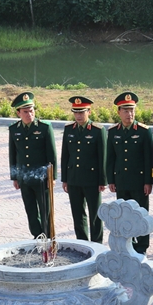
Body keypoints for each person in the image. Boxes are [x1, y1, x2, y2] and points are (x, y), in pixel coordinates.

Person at [106, 92, 153, 255]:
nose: (129, 114)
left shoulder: (143, 131)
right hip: (121, 180)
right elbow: (110, 158)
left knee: (140, 214)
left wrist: (148, 181)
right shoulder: (113, 132)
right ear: (119, 112)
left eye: (132, 110)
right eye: (125, 111)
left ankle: (142, 246)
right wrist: (110, 179)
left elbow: (149, 158)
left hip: (139, 181)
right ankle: (127, 244)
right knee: (123, 214)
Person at [8, 92, 57, 238]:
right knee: (30, 210)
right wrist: (15, 177)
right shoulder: (14, 129)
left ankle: (48, 237)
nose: (29, 114)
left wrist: (52, 177)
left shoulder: (44, 128)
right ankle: (37, 237)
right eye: (25, 111)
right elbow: (13, 155)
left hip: (42, 178)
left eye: (31, 110)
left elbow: (51, 155)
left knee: (45, 210)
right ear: (18, 113)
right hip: (24, 178)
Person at [60, 96, 107, 243]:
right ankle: (82, 243)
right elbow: (65, 155)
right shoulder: (69, 129)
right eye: (76, 112)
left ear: (89, 112)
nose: (79, 115)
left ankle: (97, 244)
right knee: (77, 214)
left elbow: (102, 157)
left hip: (91, 179)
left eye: (82, 112)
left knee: (95, 215)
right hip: (74, 178)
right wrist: (65, 179)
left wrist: (102, 180)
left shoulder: (97, 131)